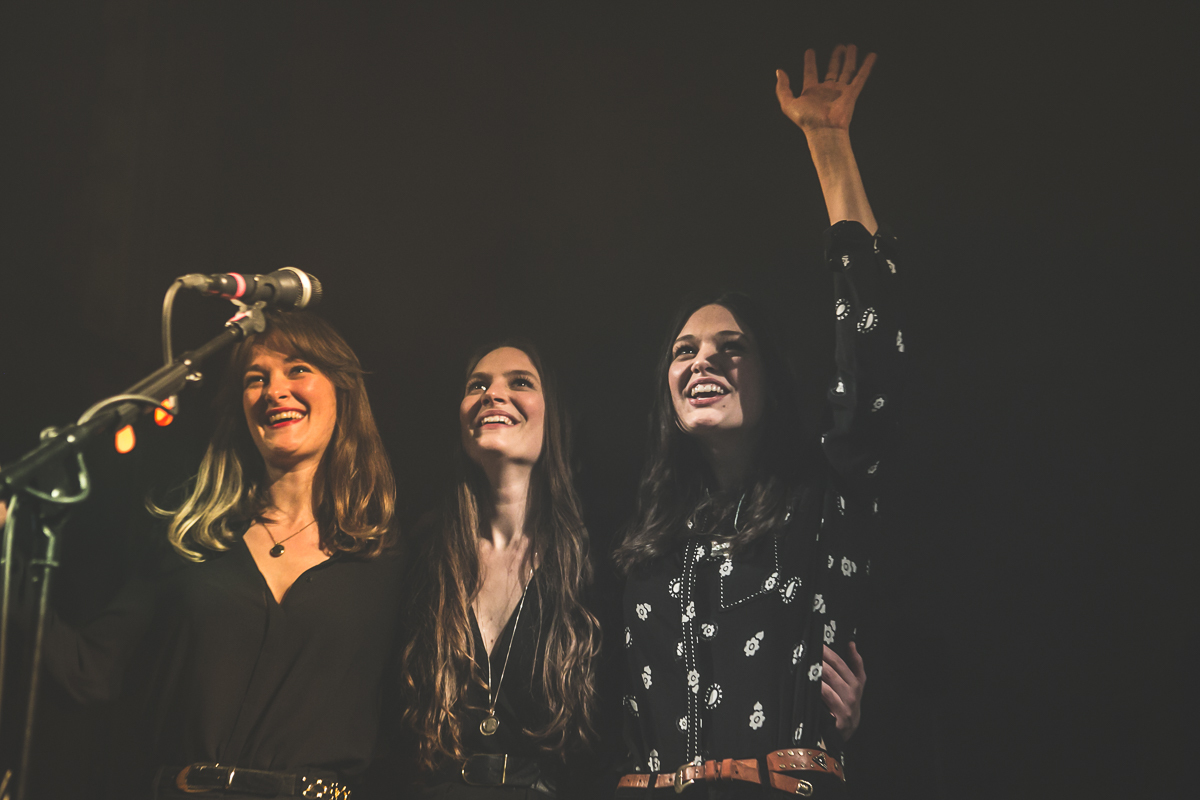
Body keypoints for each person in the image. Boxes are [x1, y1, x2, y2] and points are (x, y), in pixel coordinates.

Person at [613, 45, 904, 797]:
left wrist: (829, 147)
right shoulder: (644, 544)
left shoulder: (822, 496)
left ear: (771, 381)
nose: (701, 361)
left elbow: (871, 357)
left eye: (729, 348)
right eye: (684, 351)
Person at [31, 310, 401, 799]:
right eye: (255, 379)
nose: (274, 391)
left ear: (343, 392)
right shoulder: (193, 546)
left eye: (298, 369)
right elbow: (89, 671)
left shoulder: (386, 557)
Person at [399, 342, 602, 799]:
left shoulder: (593, 562)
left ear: (554, 416)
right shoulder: (422, 558)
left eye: (520, 382)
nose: (493, 394)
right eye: (478, 385)